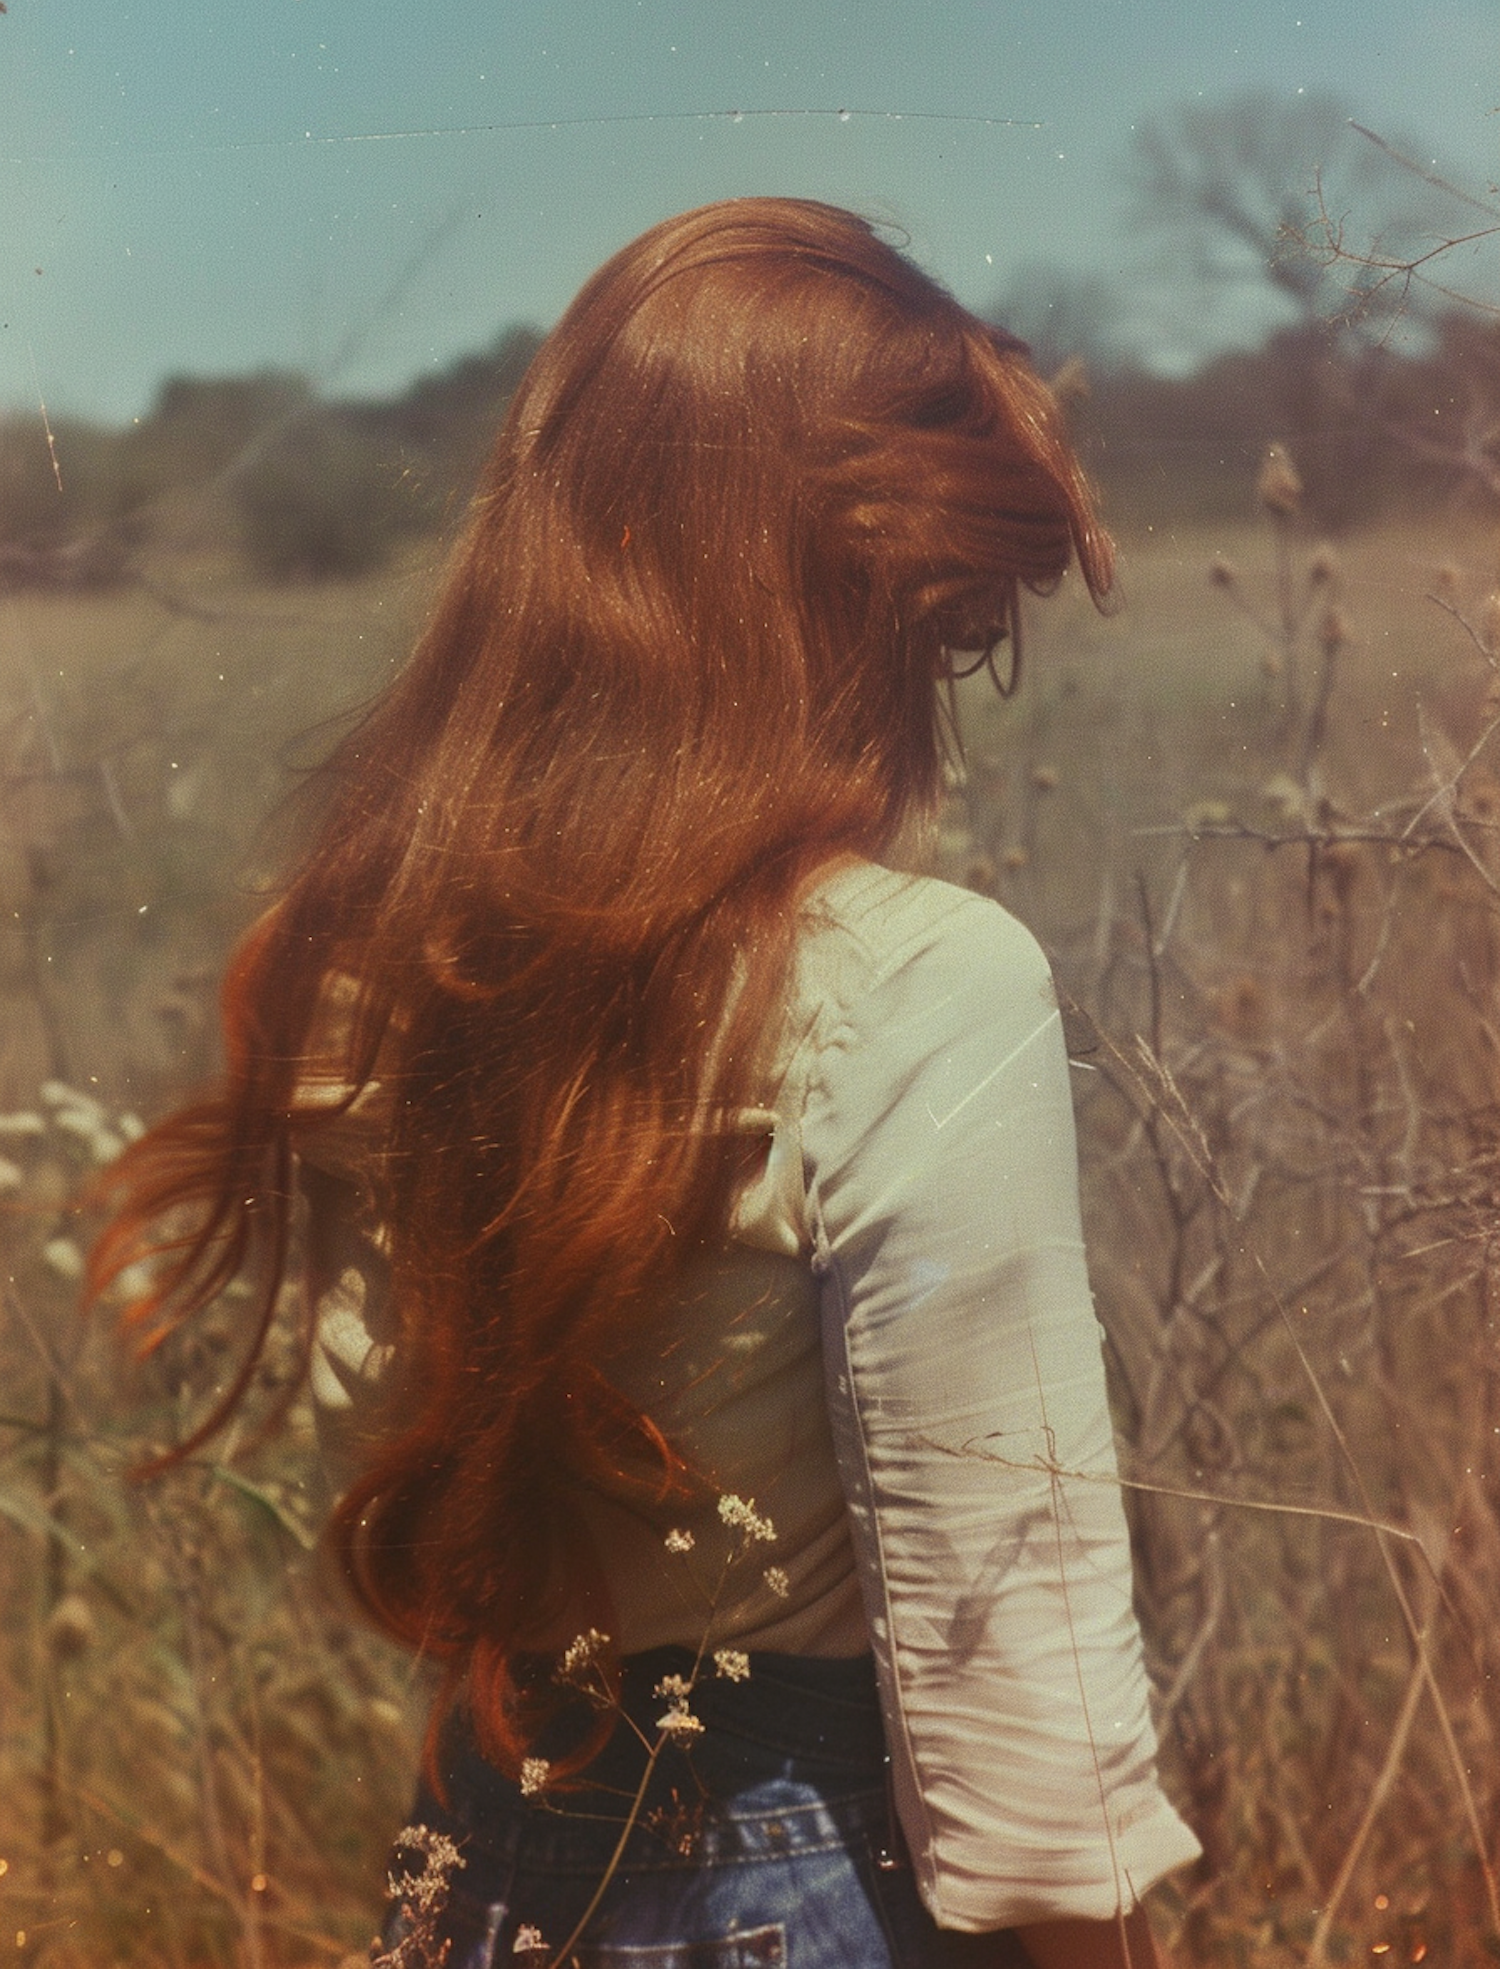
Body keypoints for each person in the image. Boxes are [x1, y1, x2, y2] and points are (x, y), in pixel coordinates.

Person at [95, 199, 1200, 1968]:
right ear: (850, 607)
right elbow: (1021, 1676)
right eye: (945, 630)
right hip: (802, 1886)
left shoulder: (390, 959)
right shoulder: (923, 981)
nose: (939, 694)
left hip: (472, 1871)